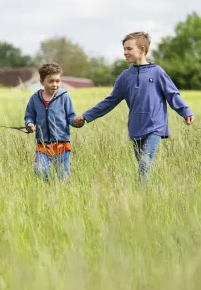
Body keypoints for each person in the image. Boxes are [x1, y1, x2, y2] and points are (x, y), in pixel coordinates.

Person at [73, 31, 194, 184]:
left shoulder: (157, 72)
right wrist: (86, 116)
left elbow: (172, 94)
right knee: (143, 166)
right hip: (136, 128)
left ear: (142, 50)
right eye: (124, 49)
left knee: (144, 163)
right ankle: (149, 195)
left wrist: (185, 111)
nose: (125, 53)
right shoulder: (124, 77)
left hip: (155, 126)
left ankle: (142, 195)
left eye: (129, 49)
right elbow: (109, 101)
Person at [24, 62, 78, 182]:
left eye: (58, 81)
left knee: (63, 176)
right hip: (43, 145)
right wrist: (29, 124)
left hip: (62, 144)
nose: (55, 84)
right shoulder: (34, 98)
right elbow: (29, 116)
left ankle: (61, 190)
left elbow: (71, 116)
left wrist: (76, 121)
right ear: (42, 82)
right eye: (51, 81)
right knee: (39, 170)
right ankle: (53, 185)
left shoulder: (64, 97)